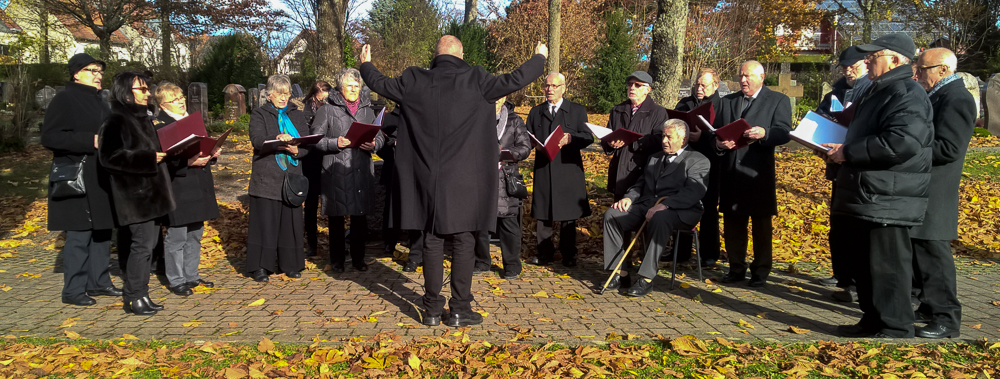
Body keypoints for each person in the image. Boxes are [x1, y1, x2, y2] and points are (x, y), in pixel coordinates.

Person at [360, 36, 547, 327]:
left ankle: (432, 309)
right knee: (464, 240)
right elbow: (515, 79)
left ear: (436, 55)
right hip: (466, 180)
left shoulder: (413, 80)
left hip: (425, 177)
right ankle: (459, 308)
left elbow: (379, 83)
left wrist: (366, 64)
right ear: (461, 55)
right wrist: (539, 58)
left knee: (431, 239)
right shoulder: (477, 79)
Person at [822, 33, 932, 338]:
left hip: (889, 198)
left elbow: (903, 142)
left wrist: (849, 152)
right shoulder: (878, 90)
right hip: (867, 194)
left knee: (888, 269)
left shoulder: (906, 92)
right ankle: (872, 319)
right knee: (865, 267)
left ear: (895, 60)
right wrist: (841, 148)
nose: (867, 61)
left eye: (874, 56)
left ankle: (896, 326)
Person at [41, 53, 121, 307]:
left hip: (101, 174)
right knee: (79, 233)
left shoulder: (101, 100)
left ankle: (99, 281)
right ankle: (73, 290)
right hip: (77, 175)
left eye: (100, 71)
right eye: (92, 71)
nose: (98, 75)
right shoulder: (64, 98)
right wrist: (90, 140)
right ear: (76, 73)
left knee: (102, 230)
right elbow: (50, 137)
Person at [909, 47, 975, 339]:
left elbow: (949, 148)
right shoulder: (939, 95)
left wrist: (908, 147)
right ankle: (928, 306)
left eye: (923, 69)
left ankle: (947, 318)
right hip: (923, 189)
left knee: (934, 256)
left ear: (943, 70)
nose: (918, 74)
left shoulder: (957, 98)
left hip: (936, 192)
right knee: (921, 254)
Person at [602, 119, 709, 296]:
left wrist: (666, 205)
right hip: (647, 205)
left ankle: (646, 278)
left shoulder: (698, 160)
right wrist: (629, 198)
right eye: (663, 136)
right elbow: (640, 184)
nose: (664, 141)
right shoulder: (654, 158)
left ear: (683, 139)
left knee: (660, 218)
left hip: (682, 210)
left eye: (669, 137)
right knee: (612, 215)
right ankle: (619, 273)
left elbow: (694, 191)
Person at [98, 71, 175, 315]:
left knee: (149, 245)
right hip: (135, 195)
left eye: (147, 88)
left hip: (153, 194)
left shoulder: (146, 118)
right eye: (141, 89)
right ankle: (134, 297)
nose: (147, 93)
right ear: (126, 93)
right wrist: (147, 158)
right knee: (141, 246)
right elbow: (108, 156)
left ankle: (140, 293)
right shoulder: (117, 119)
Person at [715, 60, 792, 287]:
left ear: (761, 77)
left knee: (761, 225)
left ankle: (760, 271)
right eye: (740, 76)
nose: (743, 80)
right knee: (733, 224)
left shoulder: (778, 100)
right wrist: (720, 145)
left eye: (747, 76)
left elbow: (784, 132)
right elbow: (716, 133)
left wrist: (765, 133)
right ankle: (736, 267)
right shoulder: (728, 102)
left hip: (757, 173)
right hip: (731, 172)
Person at [311, 68, 385, 273]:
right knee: (337, 217)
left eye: (357, 86)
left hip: (360, 168)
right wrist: (335, 142)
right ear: (340, 88)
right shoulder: (327, 109)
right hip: (337, 169)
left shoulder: (367, 108)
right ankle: (337, 260)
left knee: (359, 217)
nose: (354, 90)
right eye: (349, 86)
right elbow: (315, 140)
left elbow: (378, 135)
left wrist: (375, 145)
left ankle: (359, 258)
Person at [152, 83, 219, 296]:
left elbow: (200, 150)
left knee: (196, 233)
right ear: (163, 104)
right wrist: (187, 163)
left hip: (198, 183)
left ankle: (192, 275)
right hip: (177, 186)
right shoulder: (159, 124)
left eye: (181, 97)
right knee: (177, 235)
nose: (181, 101)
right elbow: (161, 160)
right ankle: (176, 279)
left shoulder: (192, 120)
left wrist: (212, 153)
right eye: (175, 100)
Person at [817, 46, 872, 301]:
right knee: (838, 225)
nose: (848, 71)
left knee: (856, 227)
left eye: (854, 67)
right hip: (837, 164)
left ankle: (858, 280)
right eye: (845, 67)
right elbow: (821, 117)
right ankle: (842, 276)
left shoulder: (871, 89)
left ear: (866, 63)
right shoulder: (835, 93)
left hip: (860, 164)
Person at [246, 74, 311, 282]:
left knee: (290, 224)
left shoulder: (297, 114)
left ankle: (291, 264)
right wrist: (276, 139)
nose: (284, 98)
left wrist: (295, 150)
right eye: (279, 94)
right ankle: (261, 267)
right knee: (265, 223)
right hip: (267, 177)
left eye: (287, 94)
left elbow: (307, 144)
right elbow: (256, 140)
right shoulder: (259, 114)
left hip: (291, 177)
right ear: (269, 94)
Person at [525, 72, 594, 268]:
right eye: (547, 86)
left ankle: (569, 254)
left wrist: (572, 138)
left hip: (568, 169)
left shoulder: (576, 110)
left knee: (568, 215)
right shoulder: (535, 112)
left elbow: (589, 137)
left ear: (563, 88)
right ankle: (544, 252)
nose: (550, 90)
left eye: (555, 86)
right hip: (544, 168)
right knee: (543, 213)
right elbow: (526, 136)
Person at [473, 96, 532, 279]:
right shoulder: (476, 117)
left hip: (506, 177)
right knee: (480, 223)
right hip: (480, 176)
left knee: (508, 222)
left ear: (505, 98)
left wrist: (506, 153)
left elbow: (525, 148)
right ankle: (482, 261)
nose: (495, 100)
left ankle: (512, 264)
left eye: (499, 97)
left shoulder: (515, 120)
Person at [672, 68, 724, 266]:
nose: (699, 88)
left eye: (704, 85)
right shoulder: (686, 103)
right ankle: (681, 251)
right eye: (697, 84)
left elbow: (723, 132)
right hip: (684, 161)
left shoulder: (722, 105)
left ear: (715, 85)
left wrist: (703, 137)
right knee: (681, 202)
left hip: (711, 162)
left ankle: (709, 253)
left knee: (709, 208)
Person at [602, 71, 668, 202]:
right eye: (630, 84)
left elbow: (660, 141)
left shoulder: (659, 112)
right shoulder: (617, 110)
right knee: (618, 212)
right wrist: (609, 144)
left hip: (642, 171)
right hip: (619, 170)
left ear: (647, 90)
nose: (632, 88)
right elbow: (607, 135)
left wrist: (633, 140)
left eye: (637, 85)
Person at [302, 80, 332, 257]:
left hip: (328, 159)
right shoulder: (304, 112)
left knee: (332, 203)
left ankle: (335, 240)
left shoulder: (332, 109)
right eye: (321, 100)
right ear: (314, 96)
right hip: (311, 161)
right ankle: (311, 243)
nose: (324, 104)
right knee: (311, 204)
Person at [818, 46, 873, 115]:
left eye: (853, 67)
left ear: (866, 64)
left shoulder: (873, 90)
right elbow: (820, 114)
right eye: (844, 68)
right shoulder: (837, 92)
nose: (847, 72)